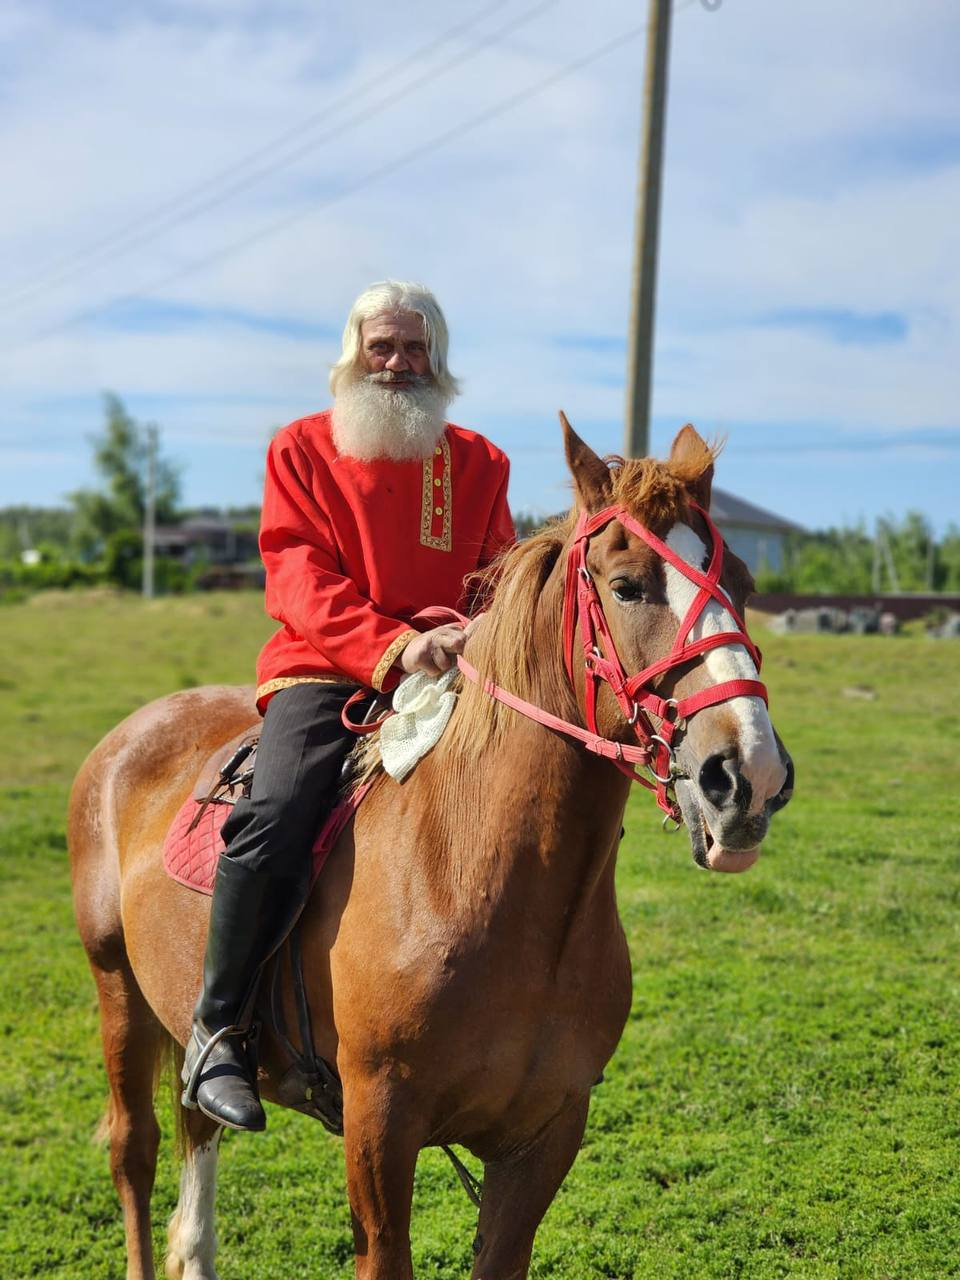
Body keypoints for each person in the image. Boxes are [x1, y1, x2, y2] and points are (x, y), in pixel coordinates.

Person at [182, 280, 515, 1132]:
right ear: (353, 355)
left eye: (416, 350)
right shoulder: (299, 448)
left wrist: (471, 636)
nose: (400, 365)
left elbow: (500, 576)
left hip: (454, 669)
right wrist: (394, 647)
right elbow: (296, 574)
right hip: (327, 668)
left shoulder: (480, 461)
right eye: (383, 348)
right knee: (281, 807)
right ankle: (217, 1030)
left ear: (437, 360)